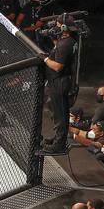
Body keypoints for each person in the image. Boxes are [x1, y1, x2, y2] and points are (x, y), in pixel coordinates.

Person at [37, 19, 76, 155]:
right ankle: (58, 139)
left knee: (60, 114)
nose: (56, 28)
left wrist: (45, 59)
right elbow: (57, 50)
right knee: (58, 111)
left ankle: (59, 144)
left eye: (58, 26)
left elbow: (58, 66)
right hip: (59, 81)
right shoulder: (67, 42)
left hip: (59, 82)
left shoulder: (65, 44)